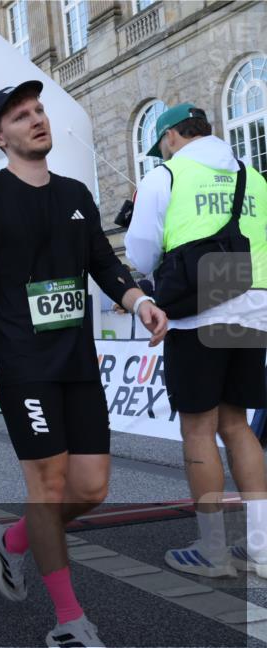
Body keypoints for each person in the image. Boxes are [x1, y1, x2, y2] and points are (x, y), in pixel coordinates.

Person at [0, 80, 168, 648]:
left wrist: (138, 301)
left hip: (75, 360)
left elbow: (102, 263)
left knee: (92, 488)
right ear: (0, 137)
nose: (37, 120)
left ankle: (12, 539)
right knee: (46, 491)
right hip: (21, 364)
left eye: (39, 110)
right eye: (21, 117)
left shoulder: (75, 193)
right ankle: (70, 622)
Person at [126, 103, 267, 578]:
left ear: (170, 137)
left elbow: (141, 255)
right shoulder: (254, 177)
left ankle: (213, 550)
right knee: (239, 426)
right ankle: (262, 549)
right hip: (253, 307)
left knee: (198, 430)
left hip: (200, 308)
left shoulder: (165, 176)